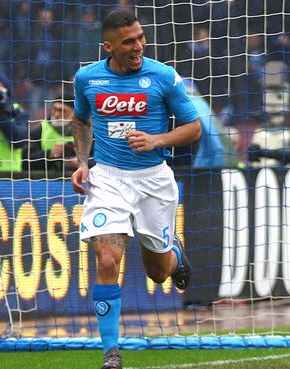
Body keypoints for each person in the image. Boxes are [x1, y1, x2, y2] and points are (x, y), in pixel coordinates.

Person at [69, 10, 201, 369]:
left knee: (157, 273)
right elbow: (80, 119)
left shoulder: (162, 76)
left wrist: (157, 138)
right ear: (108, 46)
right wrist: (83, 162)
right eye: (129, 41)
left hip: (153, 181)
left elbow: (194, 127)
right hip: (108, 179)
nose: (138, 45)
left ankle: (173, 252)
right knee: (107, 258)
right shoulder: (87, 78)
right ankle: (111, 352)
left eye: (140, 37)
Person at [27, 91, 78, 172]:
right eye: (54, 109)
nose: (57, 114)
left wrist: (82, 162)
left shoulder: (85, 131)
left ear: (74, 112)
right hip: (48, 179)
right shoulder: (41, 129)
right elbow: (26, 160)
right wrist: (49, 154)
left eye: (62, 111)